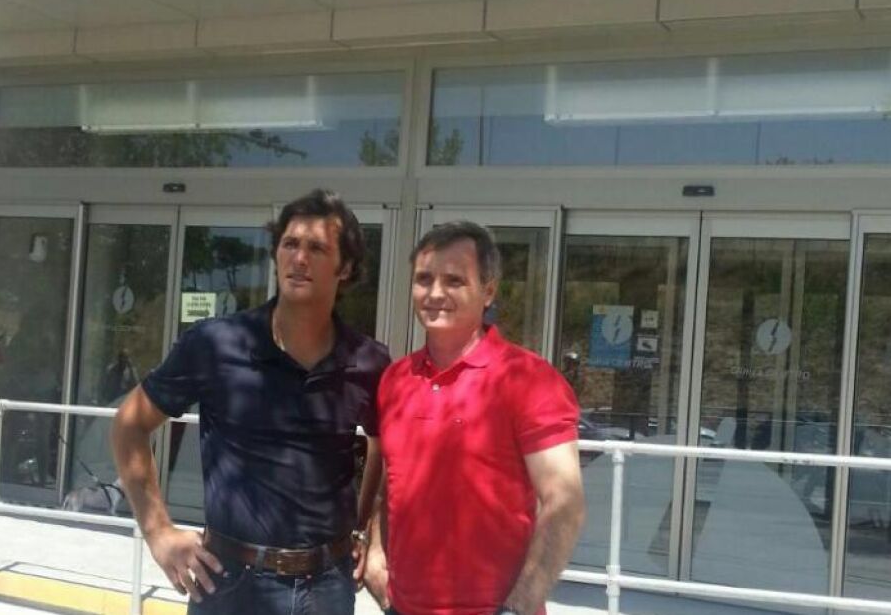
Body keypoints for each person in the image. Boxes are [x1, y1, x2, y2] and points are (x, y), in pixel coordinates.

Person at [111, 189, 389, 615]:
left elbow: (385, 444)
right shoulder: (215, 344)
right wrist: (158, 532)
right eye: (290, 244)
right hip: (231, 584)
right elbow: (130, 425)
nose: (299, 258)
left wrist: (366, 529)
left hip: (327, 588)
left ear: (345, 267)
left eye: (317, 248)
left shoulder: (367, 361)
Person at [365, 221, 586, 615]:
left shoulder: (529, 379)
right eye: (424, 279)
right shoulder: (395, 380)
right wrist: (376, 556)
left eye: (454, 280)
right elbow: (392, 481)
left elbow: (564, 501)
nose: (435, 293)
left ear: (488, 291)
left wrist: (518, 607)